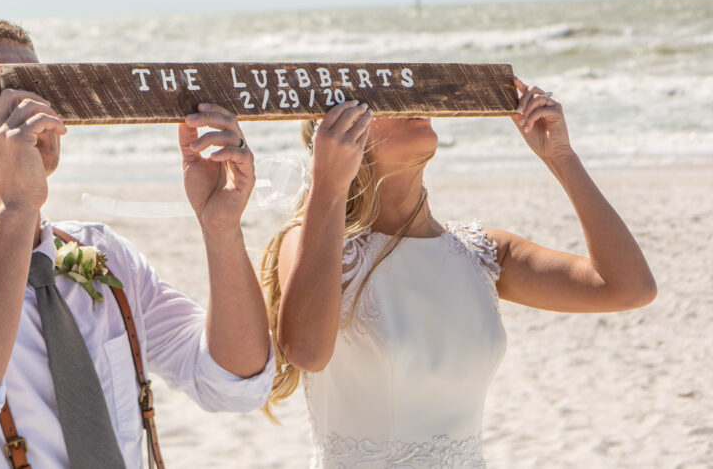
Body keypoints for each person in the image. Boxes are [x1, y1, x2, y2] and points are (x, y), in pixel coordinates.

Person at [0, 19, 272, 469]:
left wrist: (221, 231)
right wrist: (15, 207)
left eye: (42, 89)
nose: (29, 109)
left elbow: (233, 384)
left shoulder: (105, 253)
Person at [260, 80, 657, 468]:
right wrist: (328, 182)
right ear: (341, 130)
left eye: (412, 88)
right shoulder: (317, 247)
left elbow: (629, 289)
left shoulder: (482, 253)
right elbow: (307, 352)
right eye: (384, 95)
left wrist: (561, 157)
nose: (413, 100)